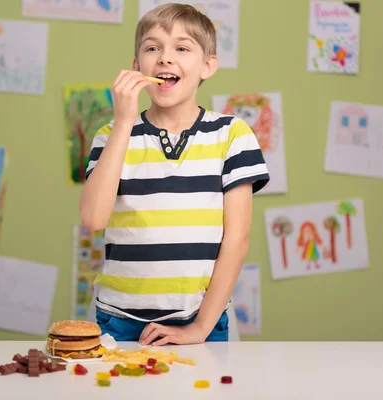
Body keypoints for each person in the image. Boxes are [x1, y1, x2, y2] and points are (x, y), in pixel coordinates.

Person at [79, 3, 270, 346]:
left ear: (207, 66)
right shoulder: (111, 135)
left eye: (182, 48)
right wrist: (124, 121)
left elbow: (237, 240)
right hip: (119, 321)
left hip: (202, 320)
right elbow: (94, 217)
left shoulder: (232, 135)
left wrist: (199, 328)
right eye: (153, 48)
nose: (165, 59)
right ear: (137, 67)